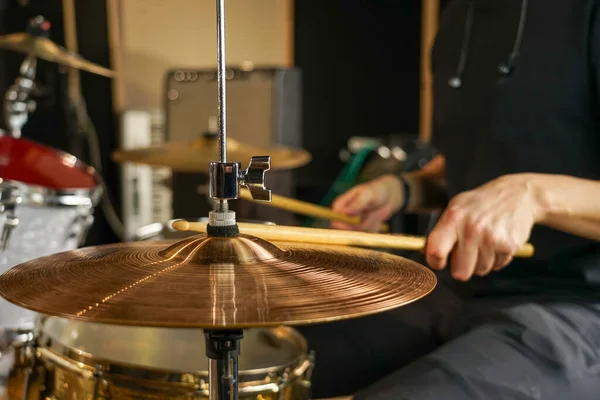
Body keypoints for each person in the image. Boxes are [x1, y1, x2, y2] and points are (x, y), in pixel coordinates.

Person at [295, 1, 600, 399]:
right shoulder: (459, 14)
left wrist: (534, 195)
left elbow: (519, 181)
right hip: (454, 283)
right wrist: (404, 189)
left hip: (576, 305)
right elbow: (477, 156)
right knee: (274, 349)